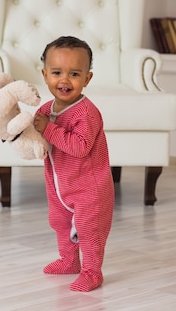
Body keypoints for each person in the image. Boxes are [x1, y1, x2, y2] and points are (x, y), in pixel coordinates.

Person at [33, 36, 115, 292]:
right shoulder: (46, 109)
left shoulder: (87, 113)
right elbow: (35, 135)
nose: (64, 80)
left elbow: (79, 148)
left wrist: (48, 129)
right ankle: (69, 260)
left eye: (74, 74)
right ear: (45, 75)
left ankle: (92, 271)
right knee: (59, 222)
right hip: (59, 186)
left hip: (90, 188)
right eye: (57, 72)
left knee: (89, 230)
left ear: (87, 79)